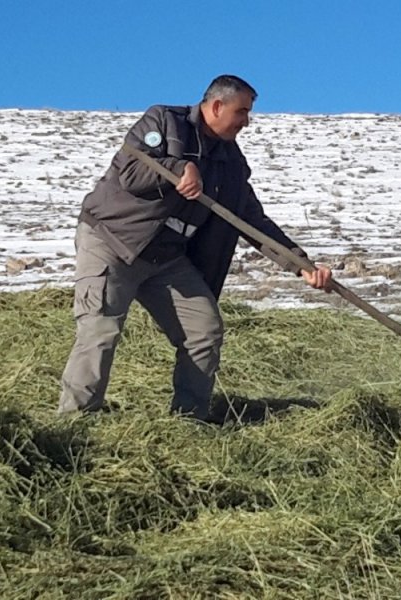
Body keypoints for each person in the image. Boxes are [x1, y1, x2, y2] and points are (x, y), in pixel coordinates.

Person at [58, 74, 332, 421]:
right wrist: (178, 169)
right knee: (100, 330)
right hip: (113, 242)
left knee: (204, 329)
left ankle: (189, 420)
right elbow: (131, 169)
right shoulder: (163, 121)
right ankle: (75, 423)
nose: (247, 122)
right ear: (217, 106)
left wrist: (301, 264)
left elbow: (252, 221)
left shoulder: (231, 164)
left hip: (166, 258)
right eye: (242, 111)